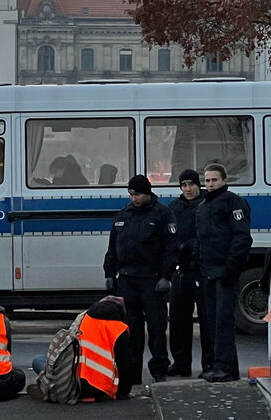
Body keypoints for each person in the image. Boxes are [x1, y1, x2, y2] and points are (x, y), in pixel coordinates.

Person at [102, 174, 179, 384]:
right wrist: (109, 273)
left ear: (147, 193)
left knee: (156, 327)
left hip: (151, 280)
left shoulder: (162, 214)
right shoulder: (124, 214)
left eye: (137, 194)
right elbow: (113, 247)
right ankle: (132, 372)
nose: (133, 198)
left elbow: (171, 248)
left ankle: (160, 369)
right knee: (131, 330)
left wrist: (166, 276)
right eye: (131, 194)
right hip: (127, 280)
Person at [196, 163, 252, 383]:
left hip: (224, 272)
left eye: (214, 180)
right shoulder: (203, 206)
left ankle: (224, 369)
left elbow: (241, 238)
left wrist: (231, 269)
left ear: (224, 181)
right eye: (207, 180)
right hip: (208, 271)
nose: (210, 184)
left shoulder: (233, 202)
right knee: (213, 323)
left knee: (224, 323)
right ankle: (228, 367)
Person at [29, 295, 135, 401]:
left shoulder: (83, 319)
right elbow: (125, 366)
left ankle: (46, 384)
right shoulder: (119, 329)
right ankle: (47, 386)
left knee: (38, 360)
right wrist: (123, 393)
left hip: (72, 382)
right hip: (101, 389)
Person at [167, 168, 212, 377]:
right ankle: (181, 363)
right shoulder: (174, 207)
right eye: (184, 185)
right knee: (177, 320)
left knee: (206, 319)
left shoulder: (207, 205)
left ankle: (209, 364)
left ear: (198, 185)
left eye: (191, 184)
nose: (188, 189)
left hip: (201, 269)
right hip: (181, 270)